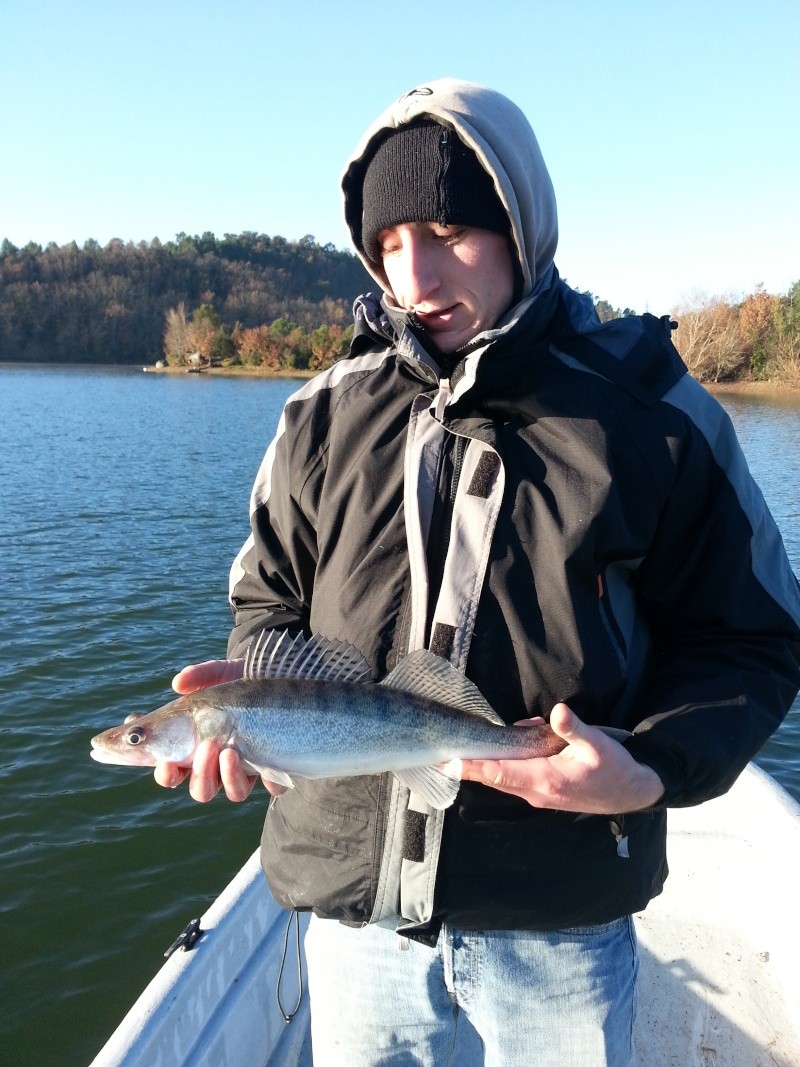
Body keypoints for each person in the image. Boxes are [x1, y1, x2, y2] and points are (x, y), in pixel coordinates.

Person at [155, 78, 800, 1065]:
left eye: (449, 229)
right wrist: (255, 711)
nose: (413, 275)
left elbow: (750, 636)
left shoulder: (651, 413)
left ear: (520, 223)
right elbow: (267, 599)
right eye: (387, 243)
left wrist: (643, 770)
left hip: (556, 913)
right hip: (351, 907)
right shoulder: (319, 415)